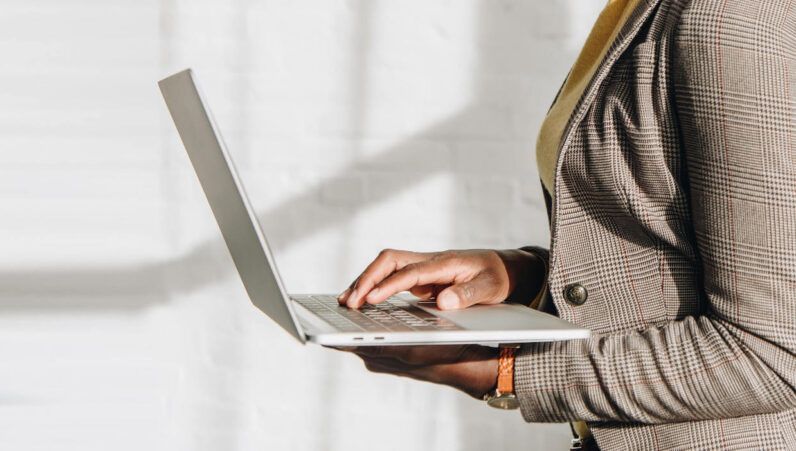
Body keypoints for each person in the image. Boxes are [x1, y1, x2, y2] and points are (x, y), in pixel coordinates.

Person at [335, 0, 796, 449]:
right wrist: (521, 275)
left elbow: (770, 354)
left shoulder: (730, 19)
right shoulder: (635, 10)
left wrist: (508, 372)